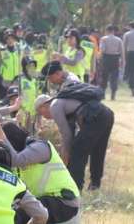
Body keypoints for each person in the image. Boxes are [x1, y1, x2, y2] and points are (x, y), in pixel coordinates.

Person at [0, 119, 81, 224]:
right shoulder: (19, 161)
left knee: (26, 211)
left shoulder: (40, 147)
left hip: (64, 203)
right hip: (49, 205)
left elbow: (16, 160)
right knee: (15, 210)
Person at [37, 61, 114, 191]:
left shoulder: (56, 106)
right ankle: (95, 184)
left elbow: (67, 134)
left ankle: (74, 188)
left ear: (44, 105)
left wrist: (66, 153)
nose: (45, 117)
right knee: (98, 149)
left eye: (41, 113)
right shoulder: (64, 96)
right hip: (106, 113)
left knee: (77, 151)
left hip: (95, 117)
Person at [0, 28, 22, 100]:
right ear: (5, 40)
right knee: (4, 99)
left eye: (12, 38)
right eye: (8, 38)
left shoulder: (18, 49)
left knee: (15, 98)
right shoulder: (1, 50)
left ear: (14, 39)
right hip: (5, 80)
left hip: (16, 79)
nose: (10, 40)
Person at [99, 25, 123, 99]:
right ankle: (113, 95)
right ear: (113, 31)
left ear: (107, 31)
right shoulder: (119, 40)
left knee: (104, 77)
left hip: (106, 58)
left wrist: (99, 58)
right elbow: (121, 51)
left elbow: (102, 50)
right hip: (115, 59)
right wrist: (122, 61)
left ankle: (103, 94)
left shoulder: (104, 39)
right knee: (114, 77)